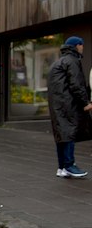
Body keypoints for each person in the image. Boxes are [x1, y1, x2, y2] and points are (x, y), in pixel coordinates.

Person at [46, 36, 92, 179]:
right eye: (81, 45)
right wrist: (86, 103)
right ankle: (70, 165)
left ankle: (62, 168)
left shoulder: (58, 62)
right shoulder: (72, 61)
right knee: (69, 133)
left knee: (62, 134)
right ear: (77, 46)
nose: (82, 47)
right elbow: (76, 84)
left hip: (57, 105)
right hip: (68, 104)